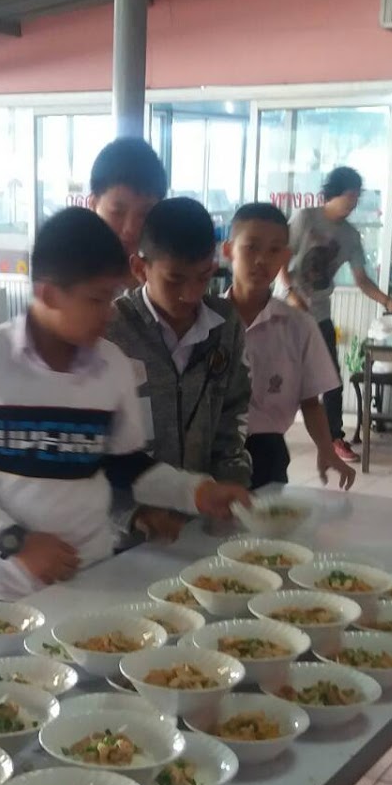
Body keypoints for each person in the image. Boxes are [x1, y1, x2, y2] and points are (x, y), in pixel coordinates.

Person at [0, 207, 249, 607]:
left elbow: (125, 468)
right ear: (48, 295)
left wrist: (196, 492)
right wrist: (16, 541)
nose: (109, 312)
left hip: (87, 578)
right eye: (96, 299)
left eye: (112, 296)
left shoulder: (113, 366)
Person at [105, 196, 252, 542]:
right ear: (140, 268)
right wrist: (131, 514)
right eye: (174, 280)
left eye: (204, 277)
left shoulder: (224, 324)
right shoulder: (112, 331)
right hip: (129, 530)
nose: (191, 294)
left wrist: (231, 487)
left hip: (203, 518)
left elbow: (232, 417)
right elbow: (96, 446)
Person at [225, 202, 355, 492]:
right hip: (209, 447)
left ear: (286, 256)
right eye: (251, 248)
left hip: (267, 450)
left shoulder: (299, 326)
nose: (262, 260)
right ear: (228, 250)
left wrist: (326, 448)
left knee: (266, 517)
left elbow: (310, 401)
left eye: (274, 251)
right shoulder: (205, 320)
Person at [280, 166, 392, 464]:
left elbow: (362, 280)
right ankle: (260, 430)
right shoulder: (306, 218)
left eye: (357, 198)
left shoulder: (351, 236)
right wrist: (290, 292)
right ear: (334, 193)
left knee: (331, 377)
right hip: (287, 311)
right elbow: (281, 257)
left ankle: (335, 439)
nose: (353, 203)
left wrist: (388, 301)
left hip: (319, 313)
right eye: (350, 196)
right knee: (277, 374)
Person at [88, 135, 167, 261]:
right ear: (93, 205)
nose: (130, 228)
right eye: (117, 212)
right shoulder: (69, 267)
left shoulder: (166, 268)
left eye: (143, 214)